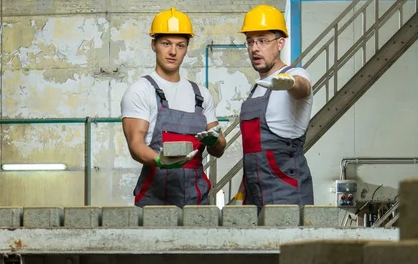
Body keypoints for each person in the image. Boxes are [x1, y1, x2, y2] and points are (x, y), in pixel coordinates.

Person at [121, 6, 226, 207]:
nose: (172, 52)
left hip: (197, 201)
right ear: (154, 45)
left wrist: (215, 141)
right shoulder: (141, 90)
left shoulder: (201, 95)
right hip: (155, 201)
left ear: (187, 48)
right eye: (166, 43)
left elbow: (219, 149)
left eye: (180, 45)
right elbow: (136, 145)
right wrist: (160, 161)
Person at [237, 5, 314, 211]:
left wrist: (289, 83)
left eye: (262, 40)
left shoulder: (296, 74)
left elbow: (303, 88)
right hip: (254, 194)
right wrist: (241, 192)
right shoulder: (256, 89)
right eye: (250, 41)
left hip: (286, 193)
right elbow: (253, 155)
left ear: (280, 43)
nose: (255, 48)